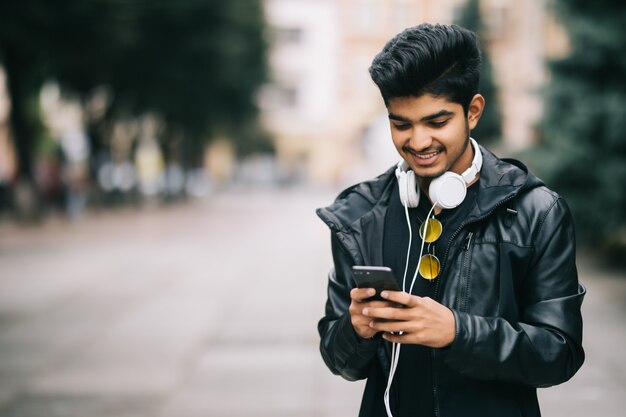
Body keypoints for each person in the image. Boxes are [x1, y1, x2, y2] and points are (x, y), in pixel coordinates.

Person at [316, 23, 585, 417]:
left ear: (472, 111)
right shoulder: (359, 214)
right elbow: (340, 361)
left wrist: (459, 334)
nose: (419, 141)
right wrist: (354, 329)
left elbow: (559, 353)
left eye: (437, 122)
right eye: (401, 124)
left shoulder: (536, 212)